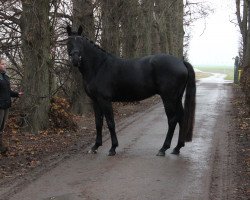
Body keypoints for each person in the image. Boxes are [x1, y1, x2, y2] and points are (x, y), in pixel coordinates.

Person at [0, 57, 23, 154]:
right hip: (0, 106)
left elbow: (8, 92)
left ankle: (1, 146)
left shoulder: (5, 77)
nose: (5, 65)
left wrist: (17, 94)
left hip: (6, 105)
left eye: (5, 64)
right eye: (3, 64)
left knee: (2, 127)